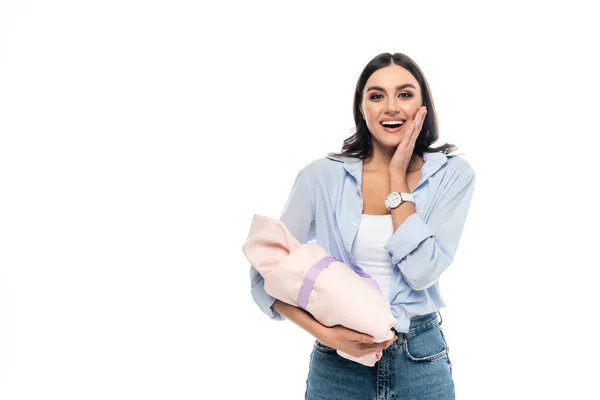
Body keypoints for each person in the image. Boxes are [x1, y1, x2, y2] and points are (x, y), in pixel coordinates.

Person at [249, 52, 476, 399]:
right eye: (376, 95)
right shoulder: (320, 177)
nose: (391, 107)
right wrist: (326, 334)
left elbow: (422, 271)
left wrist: (397, 177)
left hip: (421, 359)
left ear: (422, 106)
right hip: (338, 366)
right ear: (361, 109)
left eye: (404, 94)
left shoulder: (452, 175)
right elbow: (265, 272)